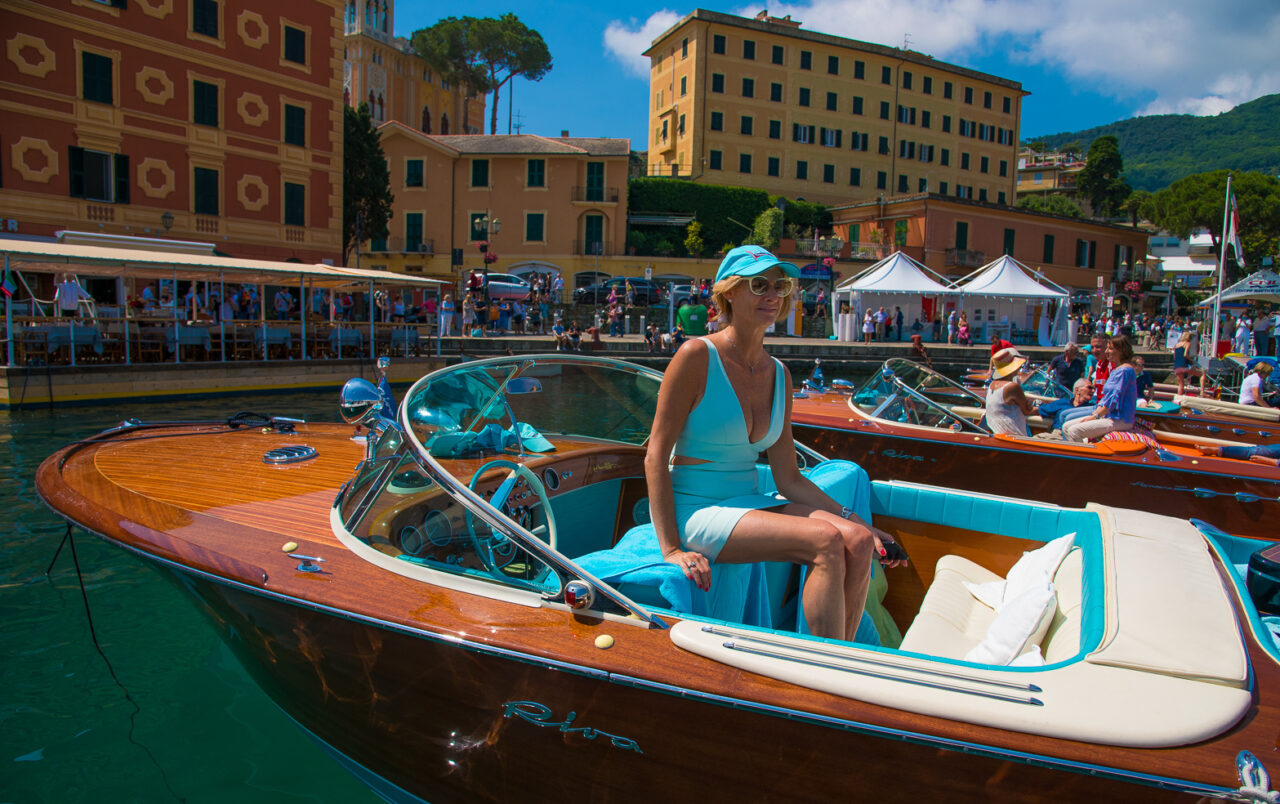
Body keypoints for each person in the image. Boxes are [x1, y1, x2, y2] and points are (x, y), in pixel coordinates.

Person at [645, 245, 906, 641]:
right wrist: (670, 550)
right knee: (826, 542)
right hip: (698, 509)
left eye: (779, 285)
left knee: (854, 541)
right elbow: (655, 455)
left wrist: (860, 522)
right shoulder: (696, 355)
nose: (772, 294)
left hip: (747, 501)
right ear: (729, 291)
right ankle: (820, 670)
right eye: (759, 284)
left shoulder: (779, 373)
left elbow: (789, 479)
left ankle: (845, 662)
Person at [1063, 336, 1138, 442]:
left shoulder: (1124, 371)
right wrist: (1094, 415)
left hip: (1120, 420)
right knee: (1066, 427)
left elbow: (1112, 401)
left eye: (1110, 348)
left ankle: (1082, 458)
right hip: (1110, 417)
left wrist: (1094, 417)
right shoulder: (1118, 370)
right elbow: (1106, 400)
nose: (1106, 351)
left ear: (1121, 350)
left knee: (1074, 431)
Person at [986, 348, 1039, 436]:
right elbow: (1027, 411)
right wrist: (1047, 409)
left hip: (998, 433)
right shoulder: (1012, 387)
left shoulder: (992, 385)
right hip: (1015, 436)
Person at [1172, 331, 1207, 396]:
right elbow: (1185, 355)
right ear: (1188, 338)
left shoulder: (1177, 345)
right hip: (1185, 365)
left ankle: (1179, 397)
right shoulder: (1187, 343)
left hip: (1177, 366)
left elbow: (1174, 356)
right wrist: (1191, 360)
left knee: (1181, 383)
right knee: (1202, 373)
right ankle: (1202, 392)